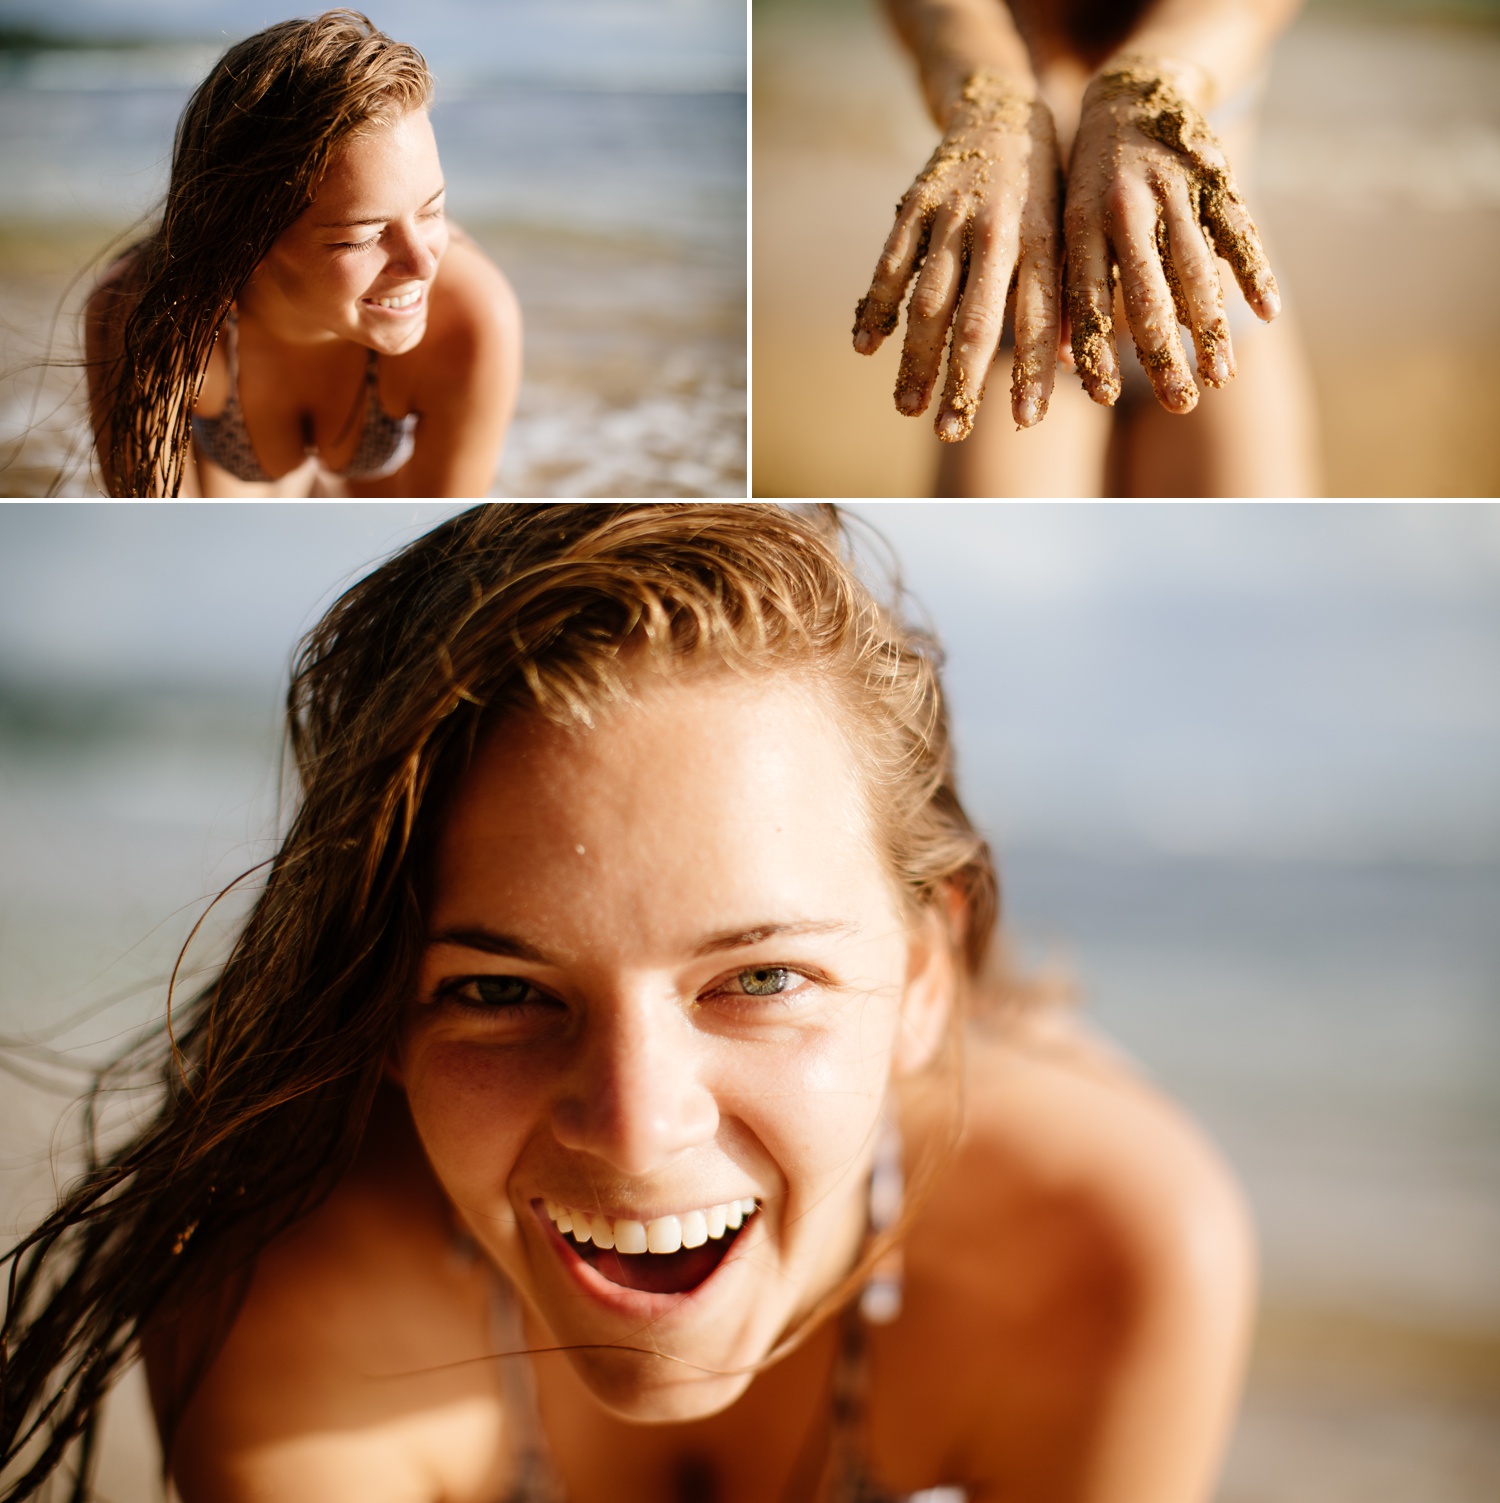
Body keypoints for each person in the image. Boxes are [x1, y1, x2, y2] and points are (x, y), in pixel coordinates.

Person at [1, 504, 1253, 1503]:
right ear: (381, 1007)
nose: (637, 1125)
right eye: (499, 989)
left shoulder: (1104, 1250)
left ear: (926, 977)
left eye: (759, 978)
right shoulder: (280, 1291)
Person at [853, 0, 1320, 497]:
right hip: (1022, 331)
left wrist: (1143, 87)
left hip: (1210, 320)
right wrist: (992, 102)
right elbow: (941, 14)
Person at [84, 10, 521, 498]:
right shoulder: (150, 319)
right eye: (361, 237)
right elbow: (159, 534)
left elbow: (440, 542)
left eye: (431, 210)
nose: (423, 265)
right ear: (247, 243)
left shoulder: (472, 315)